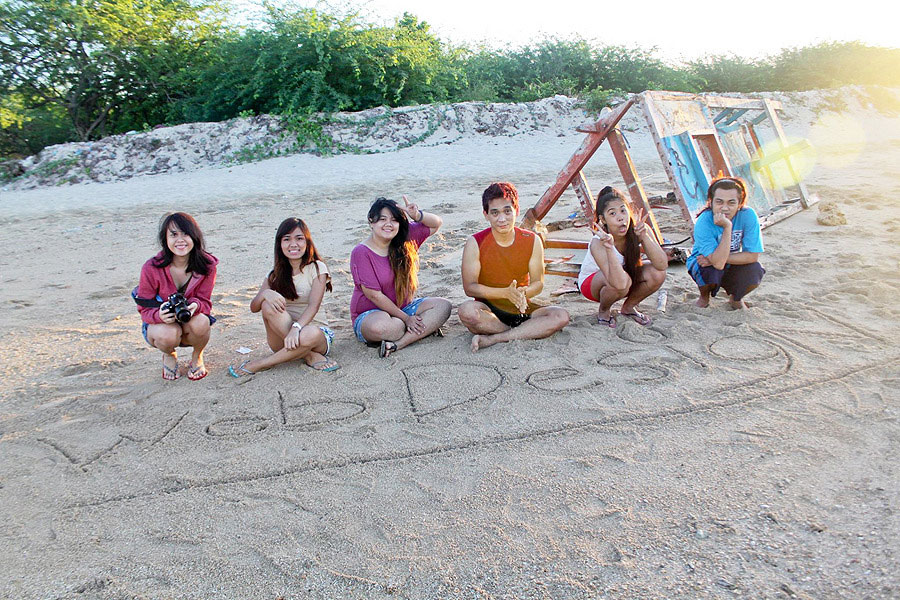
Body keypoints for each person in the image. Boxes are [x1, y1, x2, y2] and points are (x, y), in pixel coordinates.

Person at [458, 182, 569, 351]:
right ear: (486, 215)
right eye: (495, 213)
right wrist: (505, 293)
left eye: (507, 211)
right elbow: (470, 288)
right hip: (489, 310)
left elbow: (538, 283)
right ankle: (524, 332)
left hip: (521, 306)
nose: (502, 219)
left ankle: (496, 338)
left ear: (516, 210)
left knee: (560, 316)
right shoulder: (475, 242)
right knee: (467, 312)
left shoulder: (532, 240)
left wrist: (522, 294)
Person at [228, 217, 338, 377]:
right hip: (283, 339)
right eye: (287, 239)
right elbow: (254, 307)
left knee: (308, 334)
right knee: (267, 304)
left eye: (299, 238)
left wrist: (296, 328)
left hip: (313, 335)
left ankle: (260, 364)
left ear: (307, 242)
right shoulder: (275, 274)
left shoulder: (317, 267)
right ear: (279, 244)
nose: (293, 244)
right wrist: (266, 293)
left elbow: (313, 306)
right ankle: (308, 355)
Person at [350, 196, 452, 358]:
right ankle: (421, 329)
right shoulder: (361, 252)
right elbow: (374, 295)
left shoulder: (405, 237)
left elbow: (436, 223)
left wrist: (417, 215)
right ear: (371, 221)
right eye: (382, 219)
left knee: (443, 306)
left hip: (405, 307)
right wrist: (406, 319)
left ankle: (398, 344)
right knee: (386, 327)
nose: (388, 224)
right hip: (371, 314)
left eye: (394, 220)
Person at [134, 212, 217, 380]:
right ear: (165, 239)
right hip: (162, 326)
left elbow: (205, 303)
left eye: (185, 234)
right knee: (167, 334)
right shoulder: (151, 268)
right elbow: (144, 309)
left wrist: (195, 306)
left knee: (202, 322)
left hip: (190, 321)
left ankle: (197, 355)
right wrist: (159, 315)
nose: (180, 240)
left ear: (194, 236)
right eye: (173, 235)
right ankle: (169, 355)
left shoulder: (207, 265)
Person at [577, 186, 667, 327]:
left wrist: (644, 237)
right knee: (623, 282)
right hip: (594, 284)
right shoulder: (598, 242)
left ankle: (629, 307)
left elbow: (662, 265)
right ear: (603, 219)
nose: (620, 218)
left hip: (624, 278)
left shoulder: (639, 229)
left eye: (623, 211)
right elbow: (618, 283)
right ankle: (604, 311)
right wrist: (609, 248)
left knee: (657, 274)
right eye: (612, 214)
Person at [687, 177, 765, 309]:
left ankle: (736, 298)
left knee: (755, 270)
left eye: (731, 203)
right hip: (703, 261)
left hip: (720, 260)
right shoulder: (704, 221)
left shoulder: (748, 215)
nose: (724, 208)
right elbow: (717, 264)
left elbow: (753, 256)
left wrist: (720, 258)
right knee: (708, 270)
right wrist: (727, 227)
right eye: (719, 202)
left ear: (740, 204)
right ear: (711, 202)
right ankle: (704, 297)